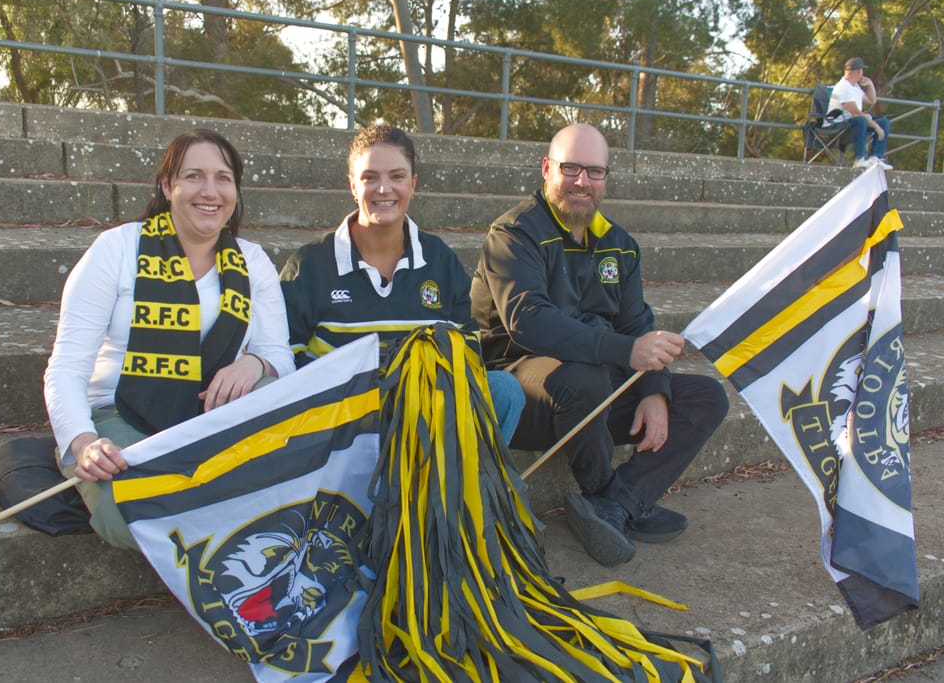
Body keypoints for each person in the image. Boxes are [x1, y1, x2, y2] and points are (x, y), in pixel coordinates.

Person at [469, 123, 729, 567]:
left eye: (594, 171)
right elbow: (527, 322)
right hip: (520, 394)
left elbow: (636, 324)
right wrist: (626, 353)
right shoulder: (514, 233)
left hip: (591, 400)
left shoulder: (619, 245)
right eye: (570, 168)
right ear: (547, 169)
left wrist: (653, 391)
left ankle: (615, 503)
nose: (582, 182)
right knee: (587, 376)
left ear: (606, 178)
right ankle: (599, 490)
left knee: (706, 396)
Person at [44, 129, 296, 549]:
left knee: (274, 397)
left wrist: (253, 364)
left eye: (223, 178)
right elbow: (66, 366)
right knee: (125, 519)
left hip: (208, 414)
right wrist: (84, 442)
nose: (210, 191)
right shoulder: (118, 249)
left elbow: (279, 357)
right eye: (194, 176)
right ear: (167, 186)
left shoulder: (252, 261)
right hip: (120, 412)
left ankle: (198, 490)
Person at [279, 124, 524, 443]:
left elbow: (468, 347)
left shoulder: (439, 259)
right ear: (353, 185)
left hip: (421, 416)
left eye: (396, 176)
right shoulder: (309, 264)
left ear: (412, 184)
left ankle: (455, 490)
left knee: (504, 391)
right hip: (339, 418)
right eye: (370, 177)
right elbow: (287, 356)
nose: (384, 189)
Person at [826, 56, 893, 170]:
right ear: (858, 71)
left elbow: (872, 100)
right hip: (837, 126)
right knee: (861, 120)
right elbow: (855, 113)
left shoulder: (855, 87)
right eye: (862, 70)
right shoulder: (843, 87)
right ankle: (859, 159)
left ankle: (875, 157)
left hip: (853, 124)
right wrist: (875, 126)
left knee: (884, 122)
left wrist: (870, 84)